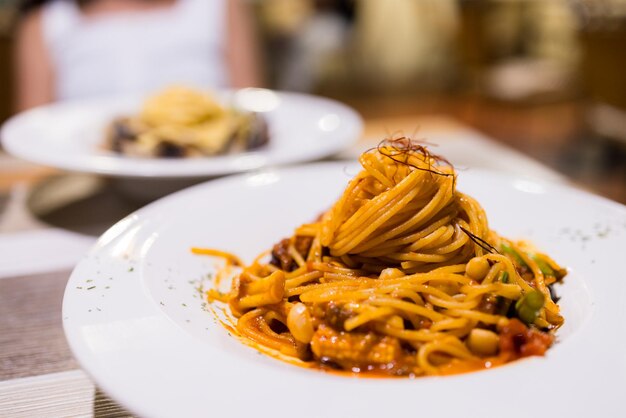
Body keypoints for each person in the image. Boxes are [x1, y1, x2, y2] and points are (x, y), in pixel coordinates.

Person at [14, 0, 261, 111]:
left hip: (214, 177)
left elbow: (253, 108)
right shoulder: (46, 23)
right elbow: (32, 135)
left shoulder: (218, 6)